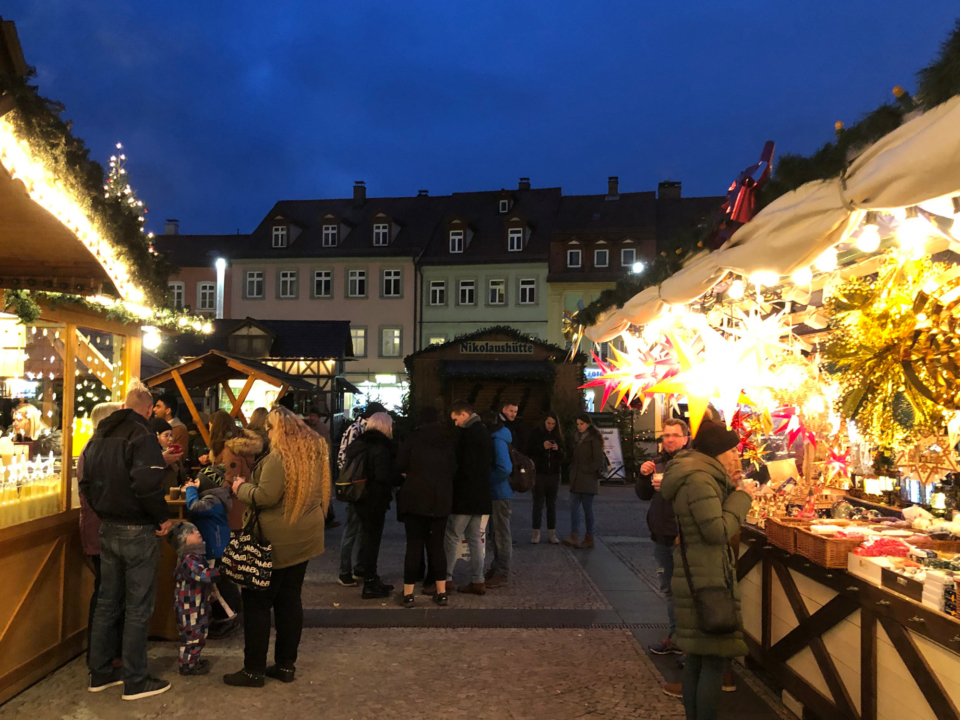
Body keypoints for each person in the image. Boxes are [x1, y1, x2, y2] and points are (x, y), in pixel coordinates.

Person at [79, 379, 173, 701]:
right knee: (137, 607)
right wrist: (162, 517)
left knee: (107, 602)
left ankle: (100, 673)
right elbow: (147, 483)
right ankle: (135, 680)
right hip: (137, 529)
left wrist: (103, 510)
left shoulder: (99, 435)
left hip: (107, 528)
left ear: (123, 405)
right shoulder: (141, 434)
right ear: (148, 409)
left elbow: (86, 481)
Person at [224, 407, 330, 687]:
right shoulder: (313, 454)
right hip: (304, 538)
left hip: (275, 541)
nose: (267, 433)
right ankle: (285, 666)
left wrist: (240, 487)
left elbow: (265, 496)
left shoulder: (278, 459)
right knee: (289, 600)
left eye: (270, 428)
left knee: (257, 604)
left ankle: (253, 670)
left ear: (280, 430)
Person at [660, 420, 755, 720]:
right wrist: (742, 497)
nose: (735, 456)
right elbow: (716, 530)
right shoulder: (699, 480)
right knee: (712, 659)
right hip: (705, 577)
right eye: (732, 451)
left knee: (700, 659)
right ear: (717, 452)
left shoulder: (697, 474)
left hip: (697, 573)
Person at [637, 418, 690, 656]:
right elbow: (643, 494)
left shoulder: (690, 465)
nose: (669, 439)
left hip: (681, 537)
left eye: (674, 435)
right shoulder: (657, 463)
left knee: (684, 593)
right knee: (669, 589)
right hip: (660, 536)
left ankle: (686, 643)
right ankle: (674, 637)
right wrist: (642, 475)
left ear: (685, 438)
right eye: (666, 435)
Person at [396, 406, 456, 607]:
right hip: (440, 501)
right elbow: (453, 469)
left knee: (414, 546)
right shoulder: (447, 441)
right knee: (437, 547)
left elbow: (399, 466)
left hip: (414, 500)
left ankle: (408, 594)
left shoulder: (412, 439)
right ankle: (441, 592)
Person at [77, 401, 122, 663]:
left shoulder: (95, 449)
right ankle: (102, 657)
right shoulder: (95, 451)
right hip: (100, 530)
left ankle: (104, 656)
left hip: (100, 529)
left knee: (107, 592)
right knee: (106, 594)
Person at [343, 412, 399, 599]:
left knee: (366, 538)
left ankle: (371, 578)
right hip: (374, 499)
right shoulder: (381, 447)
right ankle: (369, 583)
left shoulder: (360, 443)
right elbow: (383, 476)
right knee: (372, 541)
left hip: (359, 497)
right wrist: (399, 478)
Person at [445, 400, 493, 595]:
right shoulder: (484, 432)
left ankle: (446, 578)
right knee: (475, 539)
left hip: (465, 495)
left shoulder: (467, 434)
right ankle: (478, 579)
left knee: (452, 535)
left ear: (464, 414)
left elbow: (462, 466)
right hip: (482, 494)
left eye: (456, 419)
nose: (455, 423)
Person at [336, 402, 386, 587]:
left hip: (360, 487)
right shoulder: (356, 430)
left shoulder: (361, 429)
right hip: (357, 488)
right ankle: (345, 571)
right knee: (352, 530)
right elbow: (344, 457)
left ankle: (358, 568)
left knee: (360, 531)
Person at [167, 522, 219, 676]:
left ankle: (193, 660)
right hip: (189, 608)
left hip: (197, 605)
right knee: (192, 636)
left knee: (199, 634)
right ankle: (187, 665)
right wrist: (218, 572)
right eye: (191, 532)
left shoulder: (197, 557)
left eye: (196, 529)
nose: (197, 532)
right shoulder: (189, 560)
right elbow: (202, 575)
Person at [481, 410, 513, 589]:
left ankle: (502, 571)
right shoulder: (499, 437)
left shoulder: (497, 440)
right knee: (497, 533)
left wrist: (489, 480)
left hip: (499, 492)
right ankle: (497, 567)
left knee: (501, 534)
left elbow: (504, 468)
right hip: (498, 492)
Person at [564, 414, 605, 549]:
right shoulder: (576, 438)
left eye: (581, 424)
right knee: (574, 508)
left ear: (588, 424)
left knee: (588, 510)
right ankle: (574, 536)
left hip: (588, 479)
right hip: (576, 478)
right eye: (577, 424)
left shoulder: (594, 439)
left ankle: (589, 537)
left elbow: (598, 460)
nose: (579, 426)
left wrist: (587, 469)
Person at [527, 412, 564, 544]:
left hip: (553, 473)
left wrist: (557, 449)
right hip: (539, 473)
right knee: (538, 503)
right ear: (544, 422)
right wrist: (542, 448)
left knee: (551, 504)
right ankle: (536, 531)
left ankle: (551, 532)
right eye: (548, 423)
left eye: (553, 424)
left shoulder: (558, 436)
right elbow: (529, 451)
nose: (550, 426)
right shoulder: (536, 434)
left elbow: (563, 456)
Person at [149, 417, 188, 490]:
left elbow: (182, 479)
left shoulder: (173, 454)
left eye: (171, 435)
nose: (170, 439)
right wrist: (162, 461)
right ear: (156, 436)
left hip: (174, 497)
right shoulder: (148, 455)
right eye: (166, 435)